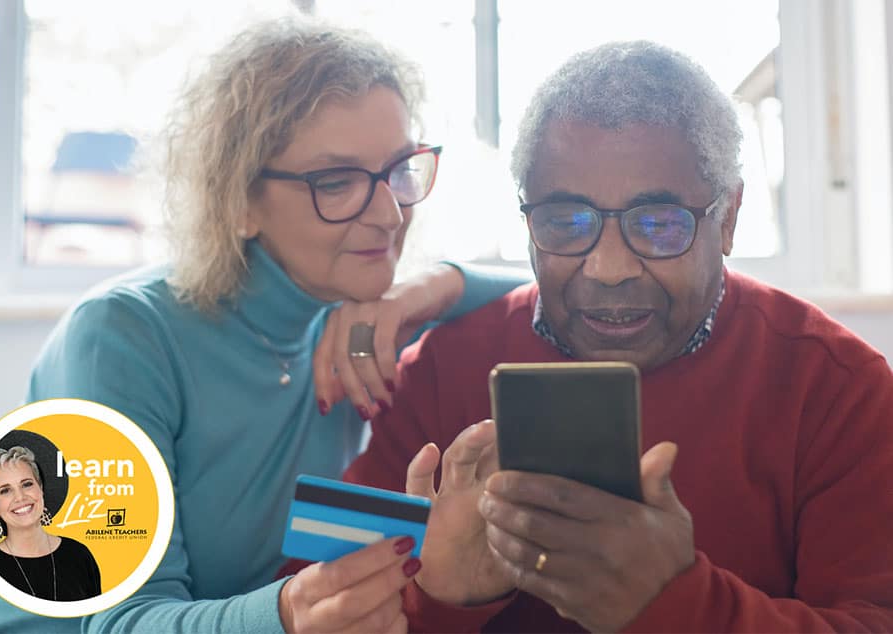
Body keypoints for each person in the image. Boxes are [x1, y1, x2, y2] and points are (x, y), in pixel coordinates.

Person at [0, 16, 528, 634]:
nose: (389, 213)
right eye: (336, 183)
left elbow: (546, 289)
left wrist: (427, 289)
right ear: (240, 200)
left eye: (397, 170)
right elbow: (116, 622)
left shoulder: (354, 319)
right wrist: (286, 613)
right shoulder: (120, 337)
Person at [339, 40, 893, 631]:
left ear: (727, 218)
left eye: (658, 224)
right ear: (527, 221)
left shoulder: (838, 389)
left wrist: (679, 601)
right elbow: (318, 599)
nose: (608, 268)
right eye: (566, 221)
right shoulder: (439, 371)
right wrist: (440, 598)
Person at [0, 445, 102, 602]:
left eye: (27, 484)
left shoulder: (79, 555)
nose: (20, 497)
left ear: (41, 489)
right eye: (5, 490)